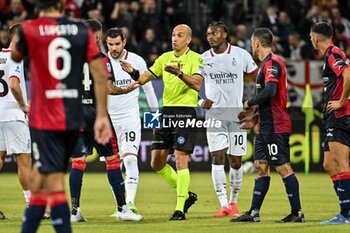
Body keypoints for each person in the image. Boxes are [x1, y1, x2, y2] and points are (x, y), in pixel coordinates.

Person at [11, 1, 112, 232]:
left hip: (43, 119)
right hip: (71, 118)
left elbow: (16, 56)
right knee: (42, 181)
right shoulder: (81, 30)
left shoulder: (29, 29)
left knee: (51, 182)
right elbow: (99, 76)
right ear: (62, 3)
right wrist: (102, 116)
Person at [120, 24, 202, 220]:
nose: (175, 38)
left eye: (179, 35)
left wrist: (179, 73)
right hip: (166, 112)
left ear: (188, 39)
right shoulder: (164, 58)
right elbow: (144, 78)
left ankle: (179, 208)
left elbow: (198, 84)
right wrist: (133, 72)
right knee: (156, 162)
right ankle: (187, 195)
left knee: (181, 158)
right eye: (173, 34)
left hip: (185, 111)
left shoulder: (195, 58)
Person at [69, 19, 143, 223]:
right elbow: (109, 88)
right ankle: (122, 208)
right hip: (97, 114)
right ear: (99, 36)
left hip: (76, 115)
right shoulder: (101, 58)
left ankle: (74, 210)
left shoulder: (70, 58)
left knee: (78, 162)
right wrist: (127, 88)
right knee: (112, 160)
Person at [231, 28, 305, 223]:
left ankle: (297, 213)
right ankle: (254, 213)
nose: (251, 47)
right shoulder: (265, 64)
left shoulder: (272, 63)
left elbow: (271, 91)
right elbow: (267, 99)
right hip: (264, 125)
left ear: (256, 43)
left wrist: (249, 102)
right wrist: (254, 118)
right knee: (261, 166)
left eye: (251, 43)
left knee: (282, 167)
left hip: (276, 124)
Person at [200, 21, 258, 217]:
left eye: (215, 33)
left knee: (235, 160)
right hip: (214, 115)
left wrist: (253, 105)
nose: (210, 36)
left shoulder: (241, 55)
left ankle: (233, 203)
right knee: (217, 157)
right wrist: (200, 102)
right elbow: (191, 85)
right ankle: (223, 204)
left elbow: (258, 77)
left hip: (236, 115)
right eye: (208, 34)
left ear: (225, 35)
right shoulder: (202, 59)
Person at [106, 27, 158, 214]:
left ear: (124, 42)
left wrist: (154, 120)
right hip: (108, 120)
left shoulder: (136, 60)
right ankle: (120, 205)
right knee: (112, 164)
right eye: (110, 44)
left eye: (117, 44)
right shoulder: (102, 62)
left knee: (129, 159)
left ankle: (130, 202)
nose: (113, 48)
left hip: (129, 117)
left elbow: (149, 90)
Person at [310, 22, 350, 225]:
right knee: (328, 164)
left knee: (341, 163)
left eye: (311, 37)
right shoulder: (331, 55)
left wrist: (342, 101)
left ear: (316, 37)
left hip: (340, 115)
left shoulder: (334, 53)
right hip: (332, 116)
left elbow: (348, 74)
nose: (310, 40)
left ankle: (346, 214)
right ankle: (346, 208)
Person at [0, 23, 31, 212]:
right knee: (24, 161)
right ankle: (34, 207)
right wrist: (24, 106)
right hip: (13, 115)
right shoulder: (16, 56)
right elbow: (13, 84)